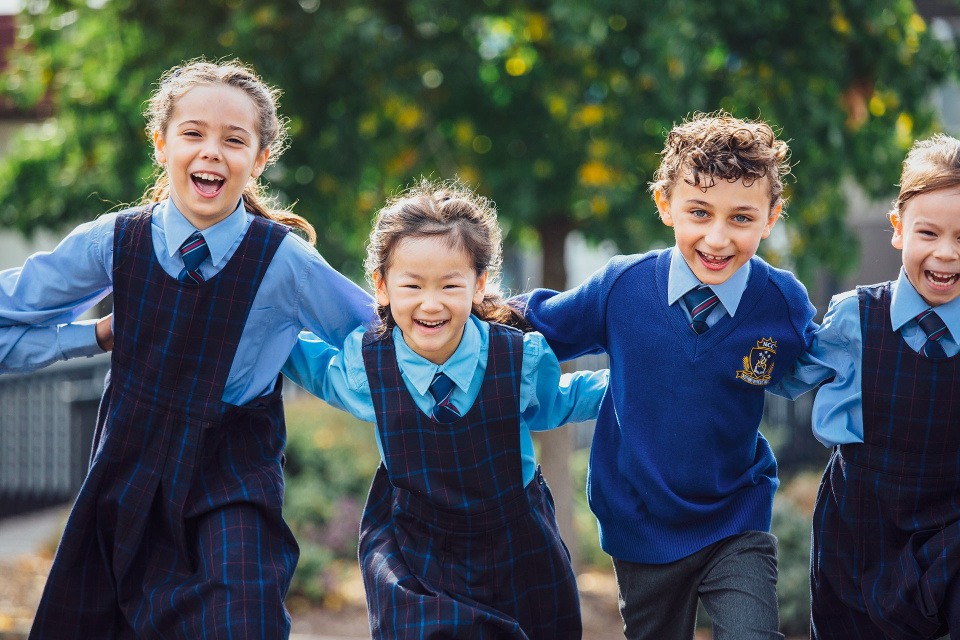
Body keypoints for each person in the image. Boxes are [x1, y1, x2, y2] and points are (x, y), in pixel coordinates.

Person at [0, 59, 372, 638]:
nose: (211, 152)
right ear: (161, 144)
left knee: (240, 622)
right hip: (126, 474)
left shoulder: (285, 261)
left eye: (234, 140)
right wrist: (93, 336)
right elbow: (8, 316)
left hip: (232, 481)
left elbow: (378, 344)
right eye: (193, 133)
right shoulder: (115, 239)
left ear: (259, 160)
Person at [516, 112, 817, 640]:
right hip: (642, 521)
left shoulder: (782, 304)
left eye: (741, 219)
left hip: (735, 513)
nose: (717, 238)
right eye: (699, 212)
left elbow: (829, 356)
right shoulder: (622, 288)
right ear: (665, 206)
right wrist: (451, 304)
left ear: (770, 218)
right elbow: (538, 321)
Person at [281, 178, 609, 639]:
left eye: (449, 285)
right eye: (411, 285)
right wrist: (257, 325)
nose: (429, 303)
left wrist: (632, 384)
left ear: (478, 286)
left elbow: (561, 399)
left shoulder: (518, 358)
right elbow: (311, 365)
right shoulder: (368, 365)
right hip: (413, 548)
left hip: (516, 543)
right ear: (381, 286)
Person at [775, 134, 960, 639]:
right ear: (899, 229)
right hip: (858, 531)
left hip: (950, 534)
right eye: (929, 233)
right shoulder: (855, 318)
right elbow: (785, 377)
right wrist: (747, 341)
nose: (946, 254)